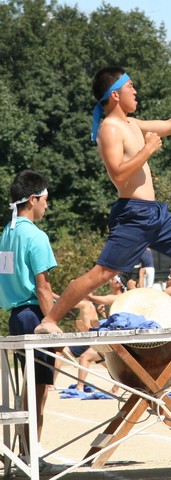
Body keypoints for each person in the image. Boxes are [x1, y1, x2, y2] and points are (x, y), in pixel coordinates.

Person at [35, 66, 171, 335]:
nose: (135, 91)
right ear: (115, 94)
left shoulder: (133, 124)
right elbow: (118, 174)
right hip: (133, 214)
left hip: (154, 213)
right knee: (102, 274)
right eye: (130, 86)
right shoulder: (110, 129)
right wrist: (148, 149)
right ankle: (49, 320)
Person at [0, 170, 64, 475]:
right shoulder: (36, 236)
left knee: (28, 388)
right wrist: (52, 320)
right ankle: (31, 455)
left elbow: (12, 279)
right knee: (37, 392)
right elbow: (42, 287)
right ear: (33, 199)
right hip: (34, 317)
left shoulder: (6, 233)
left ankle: (26, 452)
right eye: (45, 200)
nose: (47, 206)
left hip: (16, 316)